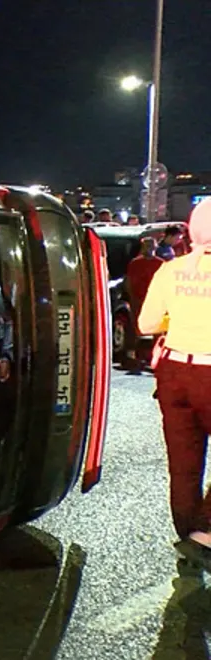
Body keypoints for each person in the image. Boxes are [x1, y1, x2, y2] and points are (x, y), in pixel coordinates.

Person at [138, 199, 211, 569]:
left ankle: (188, 539)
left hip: (175, 373)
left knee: (183, 464)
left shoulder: (170, 269)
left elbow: (146, 324)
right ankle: (205, 533)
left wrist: (178, 318)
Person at [124, 237, 164, 373]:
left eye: (151, 246)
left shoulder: (161, 263)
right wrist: (132, 299)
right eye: (147, 246)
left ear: (156, 247)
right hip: (138, 300)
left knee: (157, 330)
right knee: (135, 329)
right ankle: (132, 357)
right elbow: (129, 282)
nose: (149, 248)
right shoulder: (135, 263)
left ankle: (155, 358)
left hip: (155, 301)